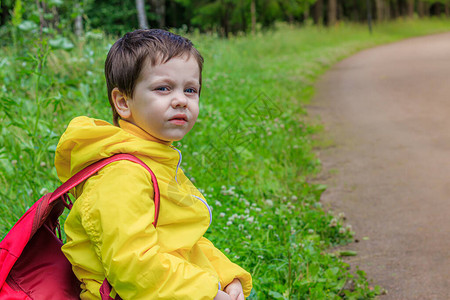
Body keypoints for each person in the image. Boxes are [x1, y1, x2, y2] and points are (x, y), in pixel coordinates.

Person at [54, 29, 252, 300]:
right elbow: (134, 268)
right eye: (163, 88)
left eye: (190, 89)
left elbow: (181, 241)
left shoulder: (155, 159)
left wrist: (227, 277)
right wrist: (208, 293)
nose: (181, 99)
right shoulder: (121, 176)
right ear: (123, 102)